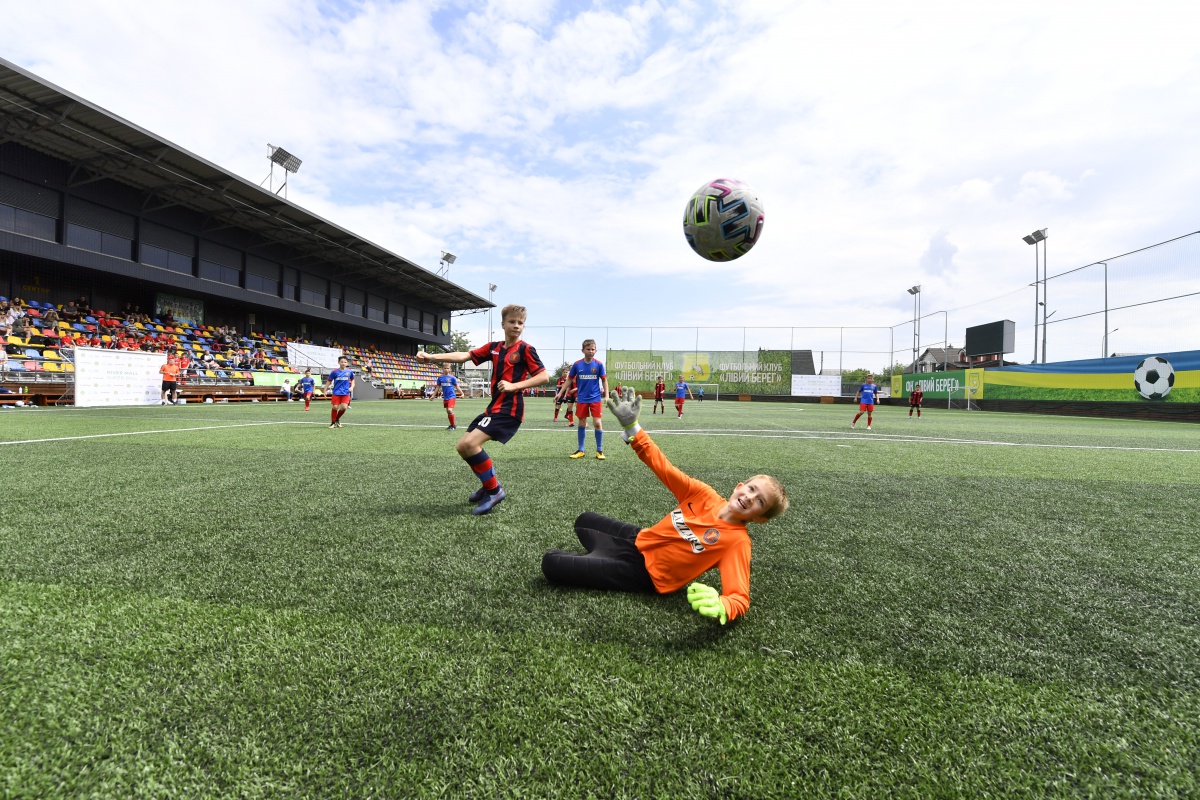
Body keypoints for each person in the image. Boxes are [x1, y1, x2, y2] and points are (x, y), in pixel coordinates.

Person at [541, 387, 789, 624]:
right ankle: (603, 553)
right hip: (639, 539)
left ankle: (601, 559)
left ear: (760, 518)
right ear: (739, 486)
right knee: (583, 520)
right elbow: (664, 468)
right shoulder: (705, 495)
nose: (750, 497)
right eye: (752, 488)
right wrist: (632, 427)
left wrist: (724, 605)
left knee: (550, 562)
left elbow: (739, 597)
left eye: (760, 502)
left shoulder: (737, 543)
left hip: (644, 574)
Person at [415, 304, 549, 515]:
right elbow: (464, 356)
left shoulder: (525, 349)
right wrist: (432, 358)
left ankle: (494, 490)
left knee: (470, 443)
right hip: (494, 407)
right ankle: (489, 486)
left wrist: (514, 385)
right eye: (512, 322)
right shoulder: (494, 347)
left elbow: (544, 376)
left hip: (509, 409)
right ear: (503, 324)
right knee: (463, 447)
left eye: (520, 323)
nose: (516, 326)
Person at [566, 338, 609, 460]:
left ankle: (599, 450)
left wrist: (606, 395)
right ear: (583, 350)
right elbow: (569, 379)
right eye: (588, 349)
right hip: (582, 399)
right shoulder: (577, 364)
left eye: (593, 349)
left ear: (596, 350)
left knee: (597, 423)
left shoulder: (599, 364)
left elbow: (604, 380)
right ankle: (581, 450)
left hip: (595, 398)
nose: (591, 351)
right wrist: (561, 393)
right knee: (582, 423)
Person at [327, 355, 355, 428]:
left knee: (344, 407)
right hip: (336, 392)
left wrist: (352, 387)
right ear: (339, 362)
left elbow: (353, 380)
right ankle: (333, 422)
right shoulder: (334, 372)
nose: (343, 363)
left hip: (346, 392)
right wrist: (325, 389)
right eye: (342, 362)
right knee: (335, 407)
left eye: (345, 362)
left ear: (347, 363)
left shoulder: (349, 372)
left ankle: (336, 419)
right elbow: (329, 381)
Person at [434, 363, 460, 430]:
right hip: (445, 398)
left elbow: (457, 386)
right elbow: (437, 387)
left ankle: (453, 425)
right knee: (448, 412)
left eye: (447, 368)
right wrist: (433, 395)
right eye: (445, 368)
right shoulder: (440, 378)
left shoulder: (452, 378)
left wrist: (462, 393)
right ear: (442, 369)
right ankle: (452, 425)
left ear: (450, 369)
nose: (446, 369)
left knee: (449, 410)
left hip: (452, 396)